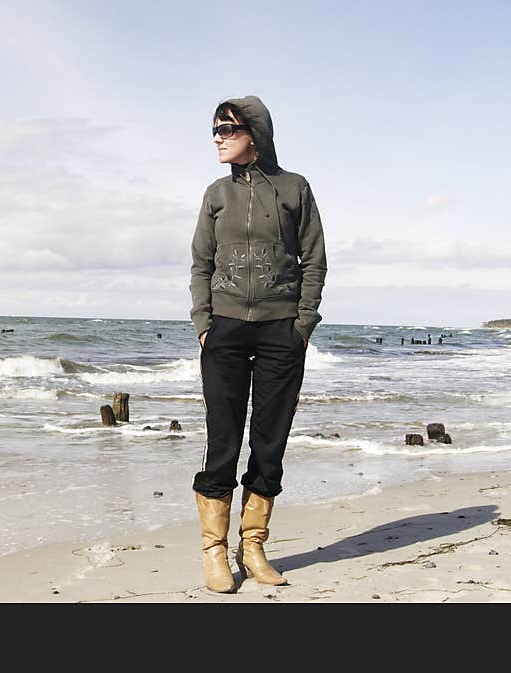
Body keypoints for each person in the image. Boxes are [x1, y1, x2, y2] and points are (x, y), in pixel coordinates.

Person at [189, 95, 327, 593]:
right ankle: (214, 551)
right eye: (215, 129)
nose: (218, 137)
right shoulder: (215, 194)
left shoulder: (294, 188)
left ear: (255, 133)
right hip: (224, 330)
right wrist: (204, 322)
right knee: (222, 440)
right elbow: (201, 263)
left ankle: (254, 544)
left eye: (227, 128)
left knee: (270, 442)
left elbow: (314, 259)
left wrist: (302, 324)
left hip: (279, 332)